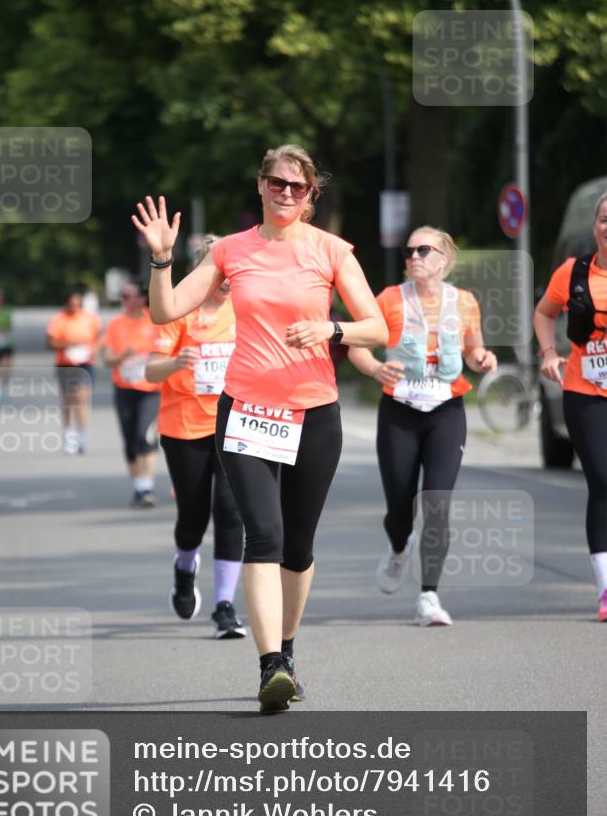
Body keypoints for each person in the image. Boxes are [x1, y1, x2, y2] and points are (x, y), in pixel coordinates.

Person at [133, 144, 388, 712]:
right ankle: (270, 665)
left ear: (311, 196)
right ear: (261, 186)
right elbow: (165, 310)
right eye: (277, 183)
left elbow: (376, 326)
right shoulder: (230, 251)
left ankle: (288, 651)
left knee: (298, 546)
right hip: (247, 409)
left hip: (314, 411)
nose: (286, 194)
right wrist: (161, 259)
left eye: (298, 187)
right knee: (263, 536)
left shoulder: (331, 251)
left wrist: (332, 329)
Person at [348, 226, 497, 626]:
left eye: (423, 250)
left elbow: (473, 347)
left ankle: (429, 596)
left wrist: (483, 358)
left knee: (438, 504)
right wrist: (377, 368)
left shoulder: (464, 302)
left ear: (444, 260)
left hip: (447, 412)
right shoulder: (389, 300)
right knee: (400, 506)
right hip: (399, 410)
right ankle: (399, 547)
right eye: (408, 251)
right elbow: (356, 345)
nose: (413, 257)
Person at [144, 235, 246, 639]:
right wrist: (175, 362)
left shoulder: (246, 310)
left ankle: (225, 605)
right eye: (216, 270)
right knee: (193, 517)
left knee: (231, 510)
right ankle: (184, 569)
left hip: (234, 424)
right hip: (185, 427)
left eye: (229, 271)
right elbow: (149, 373)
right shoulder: (180, 311)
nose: (224, 279)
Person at [534, 190, 607, 622]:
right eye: (603, 219)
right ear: (595, 226)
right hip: (585, 388)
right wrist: (548, 354)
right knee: (601, 480)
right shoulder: (573, 271)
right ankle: (605, 588)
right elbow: (544, 313)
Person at [101, 281, 161, 508]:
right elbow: (107, 359)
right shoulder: (116, 324)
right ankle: (138, 486)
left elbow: (166, 349)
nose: (124, 300)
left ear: (141, 298)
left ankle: (147, 487)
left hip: (150, 389)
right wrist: (123, 356)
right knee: (129, 440)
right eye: (122, 296)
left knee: (144, 434)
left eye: (128, 295)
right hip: (124, 388)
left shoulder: (154, 321)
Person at [46, 286, 101, 455]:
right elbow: (50, 343)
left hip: (84, 364)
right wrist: (70, 344)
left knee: (81, 399)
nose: (74, 307)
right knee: (68, 401)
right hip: (66, 364)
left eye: (77, 304)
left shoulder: (89, 318)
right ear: (66, 304)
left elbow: (98, 338)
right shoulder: (59, 320)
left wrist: (93, 350)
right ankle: (68, 435)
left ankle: (81, 437)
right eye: (71, 304)